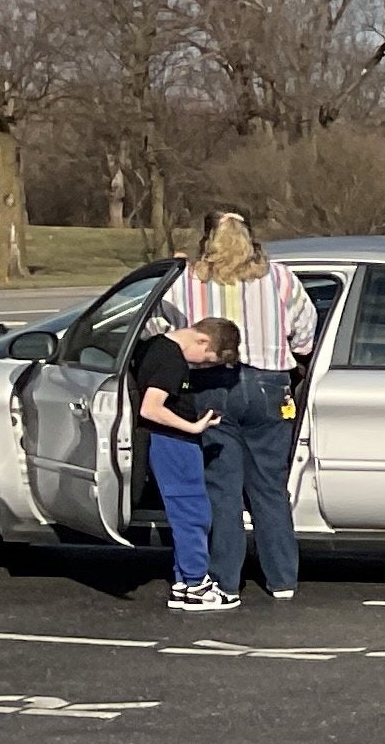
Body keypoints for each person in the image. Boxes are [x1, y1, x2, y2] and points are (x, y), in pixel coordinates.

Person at [172, 211, 317, 604]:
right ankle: (283, 578)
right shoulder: (281, 278)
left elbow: (161, 330)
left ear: (206, 240)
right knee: (269, 486)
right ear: (253, 240)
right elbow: (305, 331)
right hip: (269, 383)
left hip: (212, 383)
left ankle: (225, 580)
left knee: (223, 489)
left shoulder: (187, 280)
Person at [130, 313, 231, 613]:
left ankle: (184, 583)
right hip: (172, 442)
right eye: (207, 358)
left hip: (167, 441)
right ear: (202, 339)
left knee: (186, 511)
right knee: (192, 513)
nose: (203, 365)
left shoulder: (157, 347)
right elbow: (151, 408)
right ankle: (196, 585)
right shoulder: (171, 360)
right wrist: (194, 427)